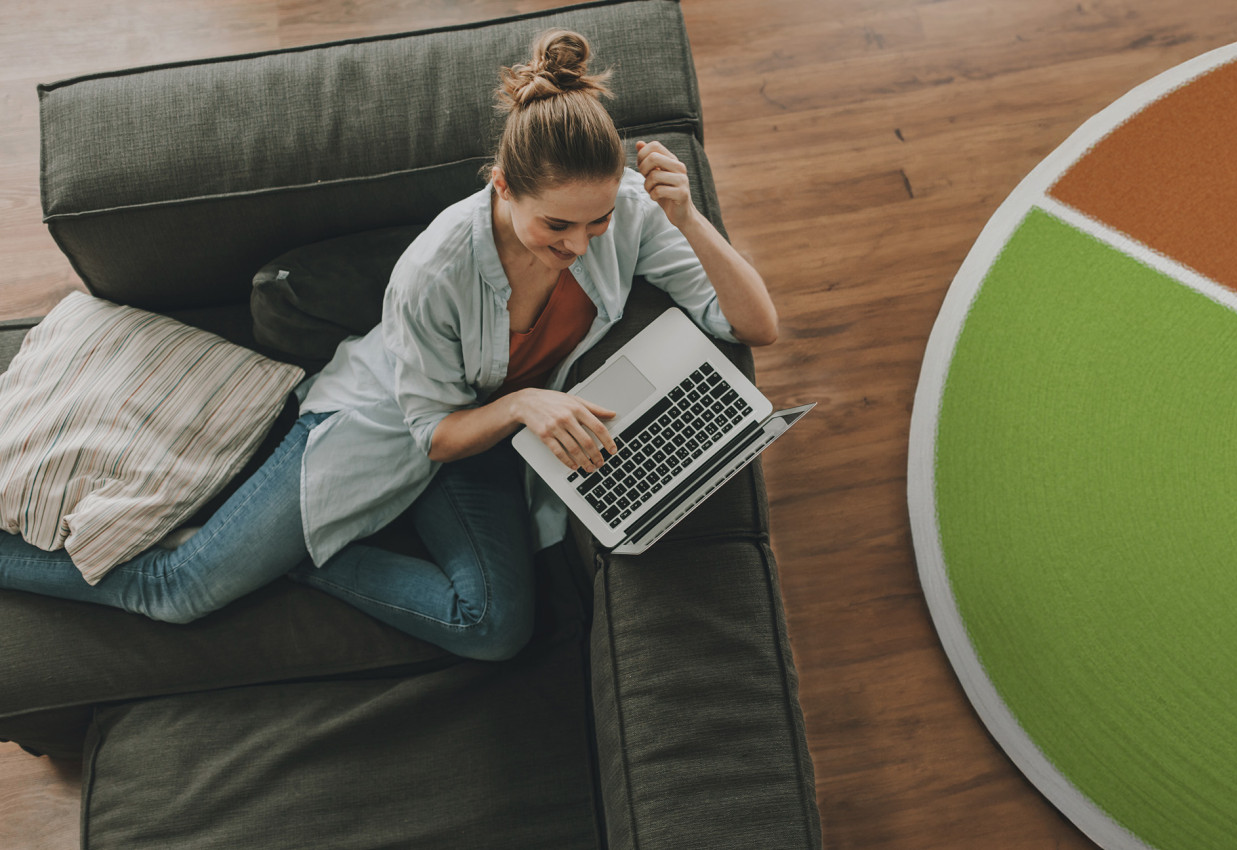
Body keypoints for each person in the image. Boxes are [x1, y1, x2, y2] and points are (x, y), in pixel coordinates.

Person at [0, 28, 778, 661]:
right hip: (387, 427)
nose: (580, 244)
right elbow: (431, 434)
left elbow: (754, 324)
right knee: (176, 591)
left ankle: (293, 561)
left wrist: (687, 219)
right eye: (557, 226)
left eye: (597, 221)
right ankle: (245, 550)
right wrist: (525, 404)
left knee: (494, 628)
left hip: (486, 441)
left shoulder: (628, 210)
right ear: (503, 187)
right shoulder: (436, 269)